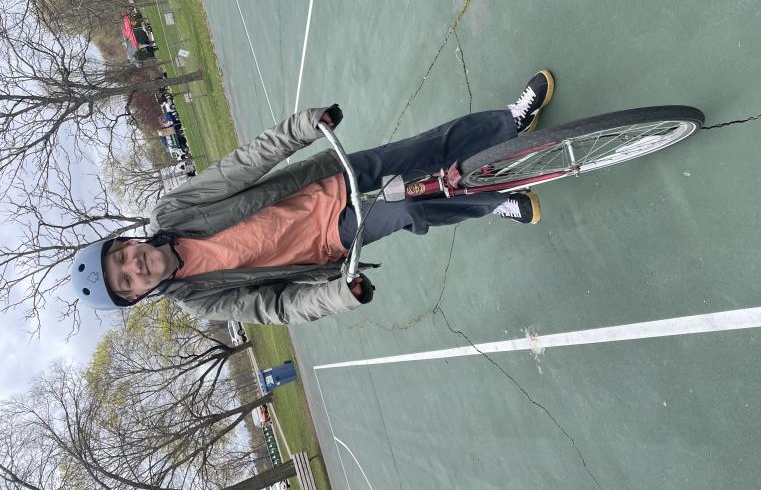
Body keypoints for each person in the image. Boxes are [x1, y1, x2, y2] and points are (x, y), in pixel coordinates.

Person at [71, 71, 555, 325]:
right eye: (126, 282)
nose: (134, 267)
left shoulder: (172, 212)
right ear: (136, 296)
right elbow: (276, 307)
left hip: (324, 181)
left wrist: (301, 128)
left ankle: (509, 122)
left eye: (122, 258)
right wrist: (338, 296)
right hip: (330, 239)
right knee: (407, 208)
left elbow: (242, 166)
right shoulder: (200, 300)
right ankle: (493, 202)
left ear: (126, 244)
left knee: (423, 150)